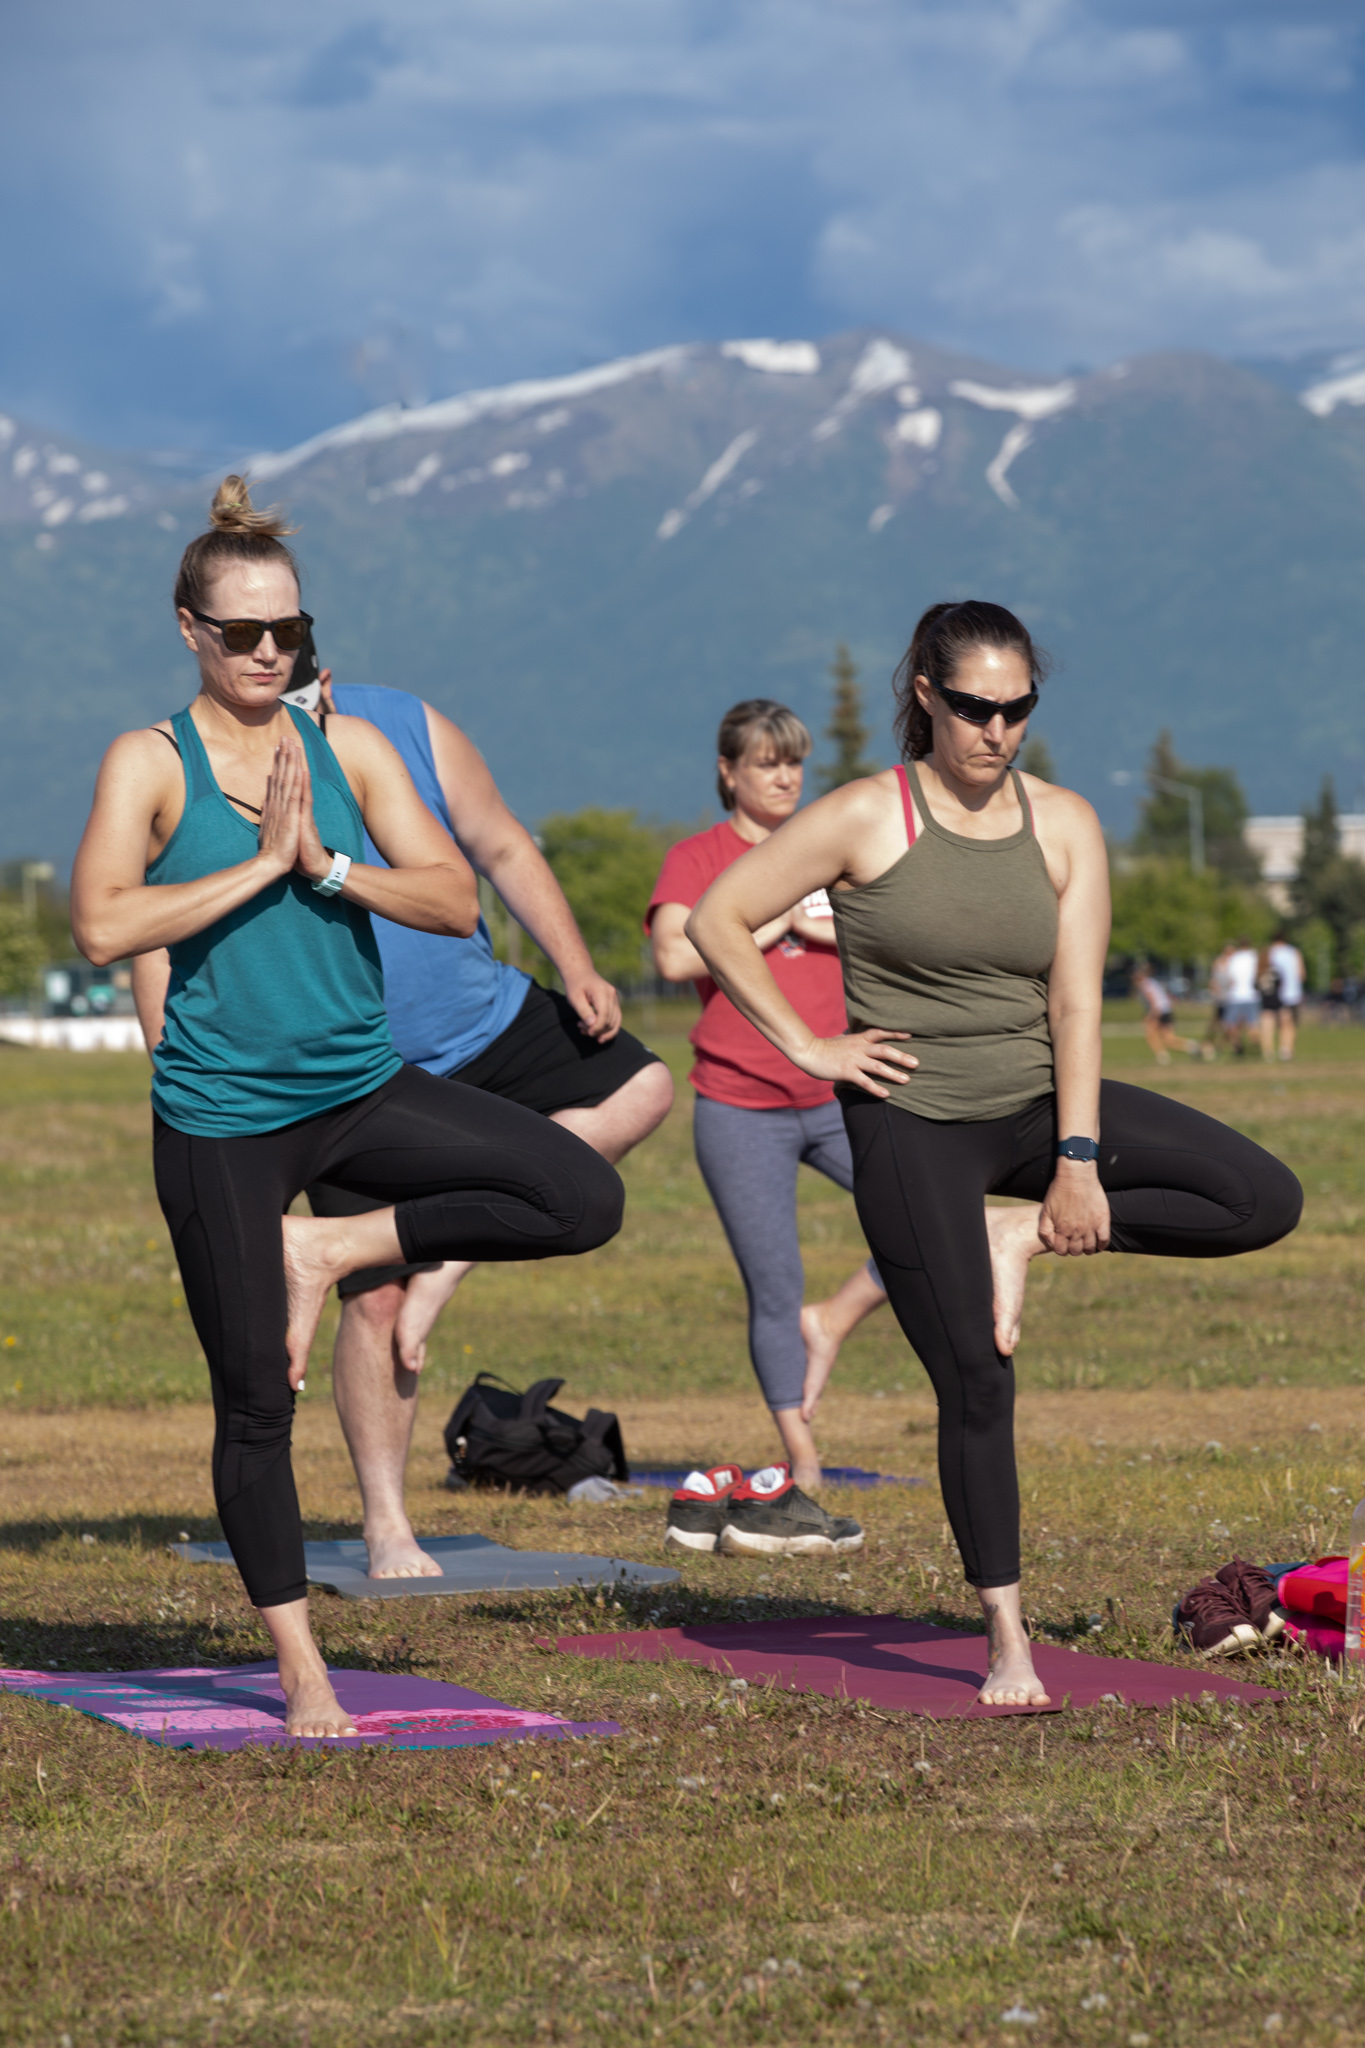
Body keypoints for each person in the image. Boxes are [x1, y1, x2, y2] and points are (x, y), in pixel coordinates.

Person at [78, 478, 624, 1738]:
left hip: (362, 1089)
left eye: (289, 632)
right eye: (243, 634)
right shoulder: (148, 762)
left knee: (578, 1191)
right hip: (221, 1117)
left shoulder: (353, 747)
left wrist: (324, 862)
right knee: (255, 1400)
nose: (269, 653)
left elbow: (450, 898)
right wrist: (255, 868)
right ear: (189, 630)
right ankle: (301, 1665)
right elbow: (104, 922)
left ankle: (325, 1244)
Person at [685, 600, 1302, 1706]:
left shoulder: (1062, 823)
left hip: (1029, 1102)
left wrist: (1073, 1160)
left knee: (1261, 1196)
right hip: (910, 1117)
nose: (997, 730)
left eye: (1019, 709)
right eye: (976, 707)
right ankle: (1005, 1635)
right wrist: (810, 1041)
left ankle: (1010, 1227)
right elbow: (719, 917)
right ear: (925, 692)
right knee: (978, 1375)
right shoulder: (866, 816)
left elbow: (1074, 999)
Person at [134, 649, 674, 1581]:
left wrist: (577, 962)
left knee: (644, 1088)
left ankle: (429, 1254)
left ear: (326, 684)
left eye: (300, 694)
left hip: (487, 1020)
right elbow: (154, 930)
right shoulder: (194, 763)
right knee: (374, 1303)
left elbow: (499, 846)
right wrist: (180, 1070)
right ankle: (388, 1523)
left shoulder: (401, 731)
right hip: (358, 1069)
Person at [647, 700, 888, 1497]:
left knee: (935, 1219)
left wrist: (822, 930)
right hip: (738, 1101)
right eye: (764, 763)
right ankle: (803, 1458)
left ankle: (838, 1317)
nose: (783, 777)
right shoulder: (698, 856)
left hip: (840, 1091)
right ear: (729, 773)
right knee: (773, 1286)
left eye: (793, 762)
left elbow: (893, 936)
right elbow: (676, 958)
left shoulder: (829, 846)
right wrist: (768, 917)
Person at [1133, 962, 1208, 1065]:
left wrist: (1150, 1016)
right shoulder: (1152, 982)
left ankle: (1162, 1056)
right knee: (1169, 1040)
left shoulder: (1145, 984)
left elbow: (1154, 1001)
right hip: (1166, 1009)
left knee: (1150, 1034)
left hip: (1159, 1011)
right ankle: (1195, 1047)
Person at [1266, 931, 1305, 1061]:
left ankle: (1269, 1051)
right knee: (1290, 1023)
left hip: (1274, 993)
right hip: (1293, 993)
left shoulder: (1270, 953)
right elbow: (1301, 974)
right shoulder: (1294, 952)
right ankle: (1286, 1050)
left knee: (1273, 1022)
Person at [1223, 937, 1261, 1056]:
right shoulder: (1254, 957)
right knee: (1252, 1025)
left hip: (1235, 996)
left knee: (1230, 1024)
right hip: (1251, 995)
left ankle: (1237, 1047)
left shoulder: (1233, 958)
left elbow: (1230, 979)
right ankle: (1257, 1049)